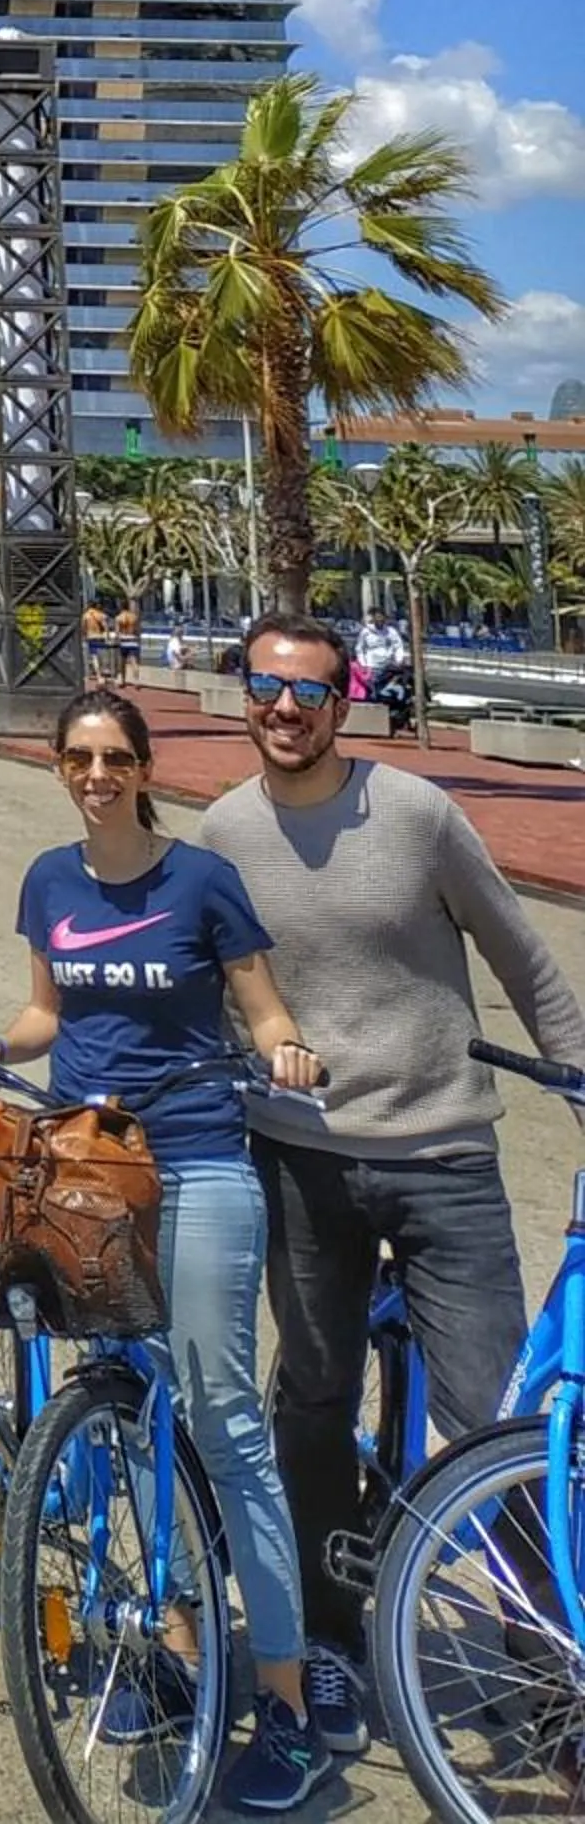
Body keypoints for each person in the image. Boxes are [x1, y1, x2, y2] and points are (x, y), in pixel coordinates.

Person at [199, 611, 585, 1762]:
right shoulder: (218, 831)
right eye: (262, 687)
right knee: (308, 1402)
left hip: (440, 1159)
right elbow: (205, 983)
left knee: (495, 1423)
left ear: (342, 701)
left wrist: (575, 1084)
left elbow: (521, 959)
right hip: (298, 1157)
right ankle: (326, 1636)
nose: (281, 709)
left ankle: (549, 1660)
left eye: (306, 693)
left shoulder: (414, 816)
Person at [0, 686, 331, 1811]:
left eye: (114, 756)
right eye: (78, 757)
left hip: (197, 1156)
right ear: (59, 769)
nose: (95, 773)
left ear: (142, 766)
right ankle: (168, 1643)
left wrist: (288, 1050)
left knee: (218, 1415)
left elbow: (260, 1009)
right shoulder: (48, 879)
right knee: (126, 1402)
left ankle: (284, 1702)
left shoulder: (200, 881)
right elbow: (47, 1015)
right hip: (79, 1163)